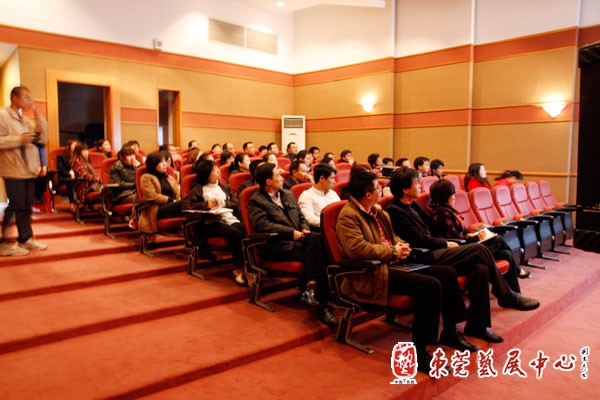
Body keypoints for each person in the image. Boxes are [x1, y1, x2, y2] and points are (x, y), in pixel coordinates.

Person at [336, 170, 481, 373]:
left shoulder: (377, 211)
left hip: (392, 264)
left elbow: (393, 237)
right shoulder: (348, 216)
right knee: (430, 286)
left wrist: (401, 245)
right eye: (378, 188)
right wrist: (392, 251)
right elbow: (357, 249)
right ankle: (420, 352)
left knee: (446, 273)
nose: (381, 191)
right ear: (368, 194)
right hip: (373, 272)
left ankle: (450, 332)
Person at [386, 167, 540, 343]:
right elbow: (419, 239)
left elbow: (431, 230)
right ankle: (505, 295)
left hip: (436, 249)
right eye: (416, 183)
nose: (421, 186)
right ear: (405, 189)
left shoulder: (413, 205)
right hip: (424, 256)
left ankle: (477, 325)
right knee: (479, 250)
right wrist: (446, 243)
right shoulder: (395, 210)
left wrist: (455, 240)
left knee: (480, 269)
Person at [247, 163, 337, 327]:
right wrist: (291, 233)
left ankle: (314, 287)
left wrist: (304, 228)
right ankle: (322, 302)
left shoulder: (287, 194)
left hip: (299, 240)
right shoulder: (256, 201)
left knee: (318, 240)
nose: (282, 178)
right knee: (320, 248)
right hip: (276, 245)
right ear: (268, 181)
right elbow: (263, 225)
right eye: (278, 175)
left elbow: (301, 217)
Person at [428, 179, 531, 284]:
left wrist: (473, 233)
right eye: (453, 195)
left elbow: (462, 231)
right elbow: (453, 237)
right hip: (461, 250)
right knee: (498, 239)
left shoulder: (447, 210)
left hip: (467, 244)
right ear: (447, 197)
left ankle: (513, 291)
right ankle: (518, 271)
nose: (454, 198)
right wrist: (476, 237)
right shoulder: (441, 213)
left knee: (505, 254)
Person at [0, 86, 48, 255]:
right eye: (26, 97)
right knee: (16, 205)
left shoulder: (25, 120)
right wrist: (19, 139)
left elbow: (43, 139)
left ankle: (25, 239)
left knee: (27, 206)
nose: (30, 101)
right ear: (15, 98)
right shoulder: (3, 116)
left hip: (28, 170)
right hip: (13, 168)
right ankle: (4, 243)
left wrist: (39, 117)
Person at [182, 160, 246, 286]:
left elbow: (236, 203)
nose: (218, 171)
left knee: (245, 230)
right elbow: (186, 206)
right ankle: (239, 268)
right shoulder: (198, 189)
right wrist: (206, 204)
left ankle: (248, 265)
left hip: (228, 218)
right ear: (206, 173)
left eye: (218, 169)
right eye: (214, 170)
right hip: (210, 222)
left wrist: (224, 203)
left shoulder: (224, 187)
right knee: (235, 234)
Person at [138, 152, 182, 234]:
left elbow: (177, 193)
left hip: (173, 206)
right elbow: (152, 196)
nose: (165, 164)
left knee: (189, 204)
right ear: (153, 164)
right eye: (161, 162)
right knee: (184, 204)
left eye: (165, 161)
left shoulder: (170, 178)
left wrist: (177, 201)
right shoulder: (146, 177)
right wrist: (171, 201)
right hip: (157, 209)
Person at [298, 163, 340, 230]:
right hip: (319, 230)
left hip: (337, 228)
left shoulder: (333, 193)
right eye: (332, 178)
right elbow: (309, 218)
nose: (334, 182)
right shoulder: (306, 196)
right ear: (322, 178)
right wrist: (330, 223)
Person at [71, 143, 102, 211]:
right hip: (84, 186)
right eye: (83, 150)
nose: (86, 152)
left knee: (108, 189)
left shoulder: (86, 161)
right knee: (107, 190)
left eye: (87, 150)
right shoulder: (77, 161)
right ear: (78, 152)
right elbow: (85, 176)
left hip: (91, 184)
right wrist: (98, 180)